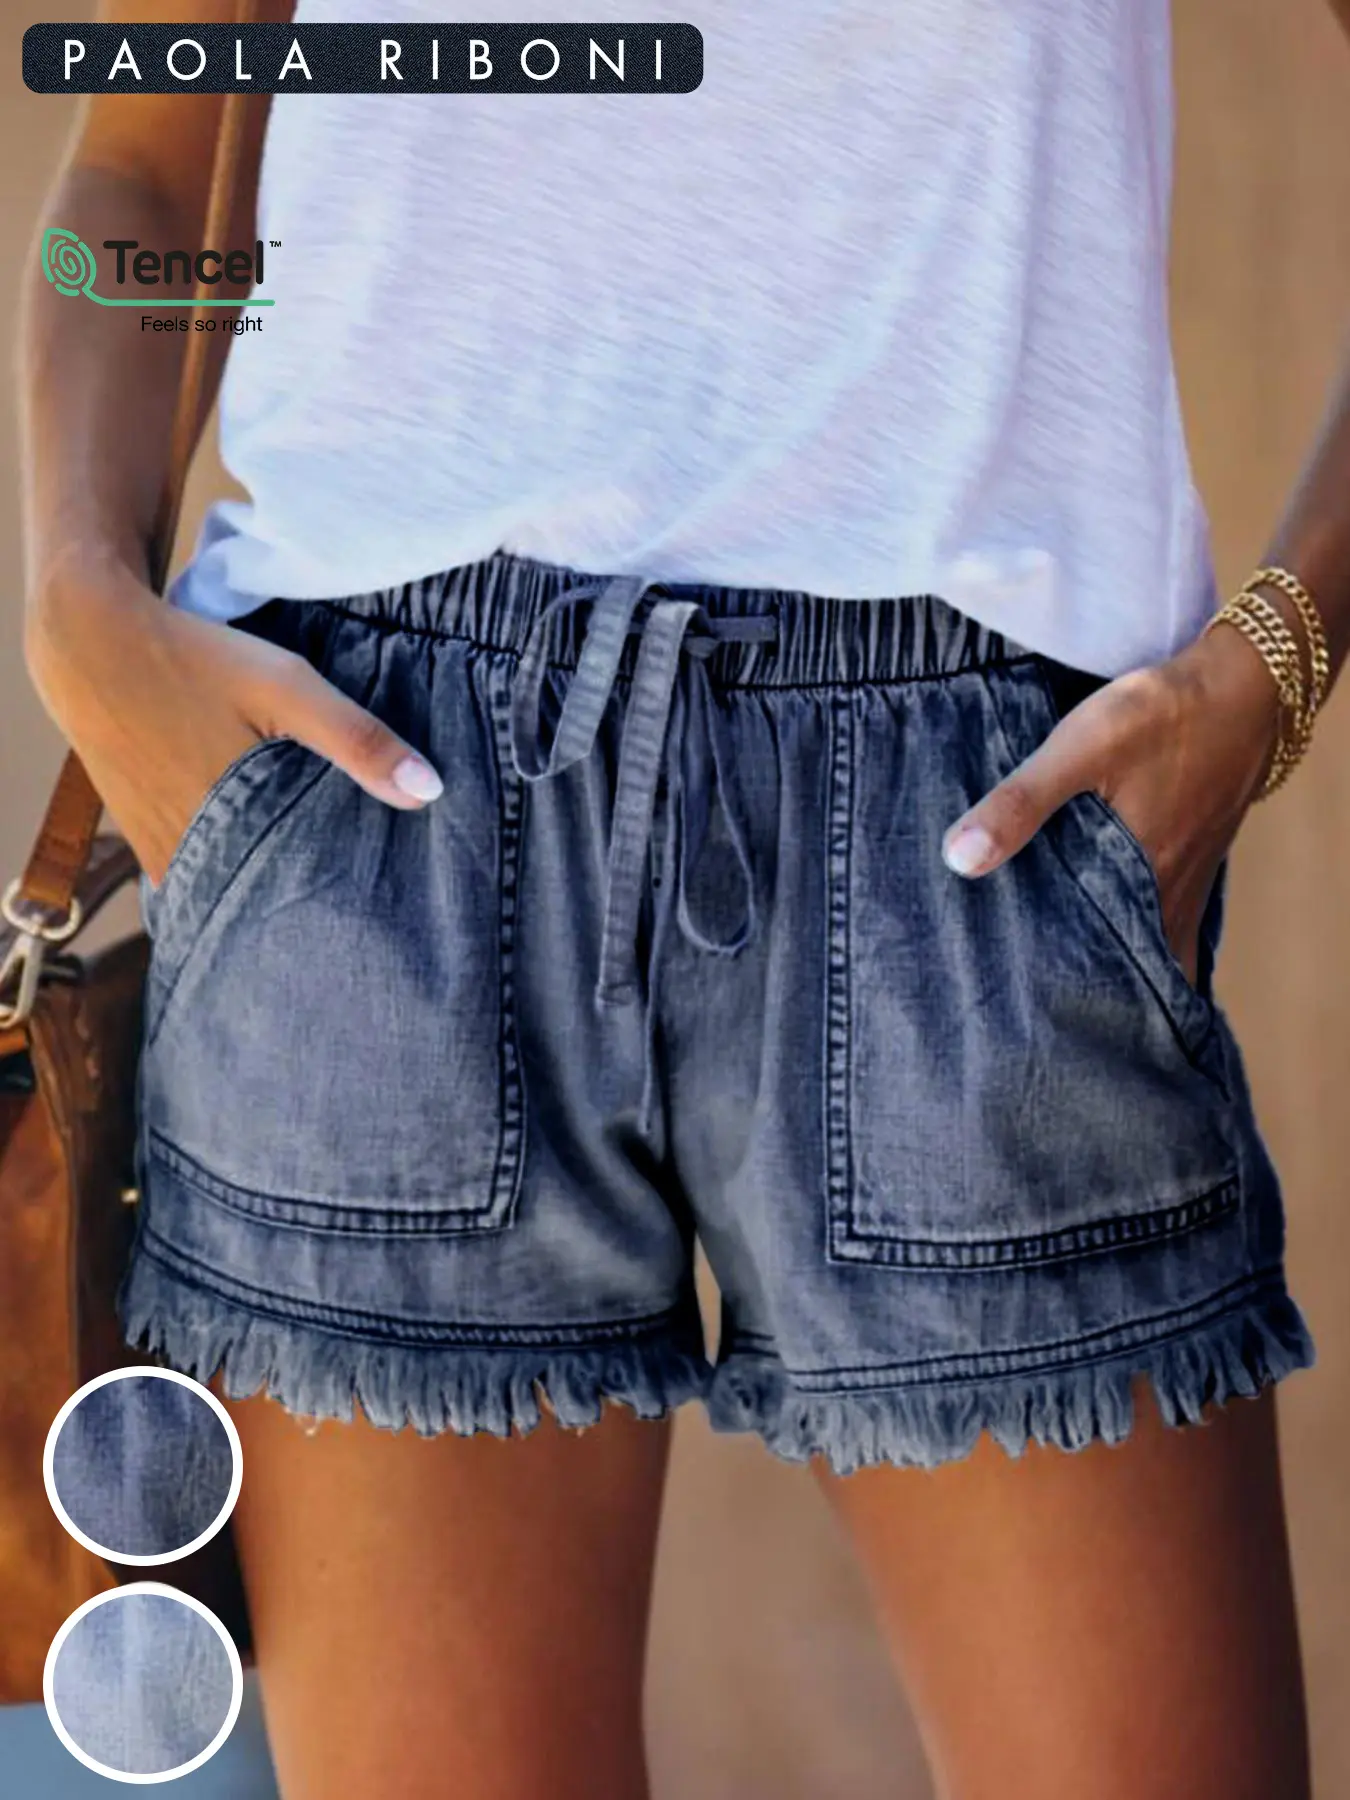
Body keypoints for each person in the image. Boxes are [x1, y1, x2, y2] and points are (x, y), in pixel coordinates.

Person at [17, 2, 1345, 1796]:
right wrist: (79, 601)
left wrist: (1276, 658)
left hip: (981, 839)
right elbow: (142, 142)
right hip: (373, 813)